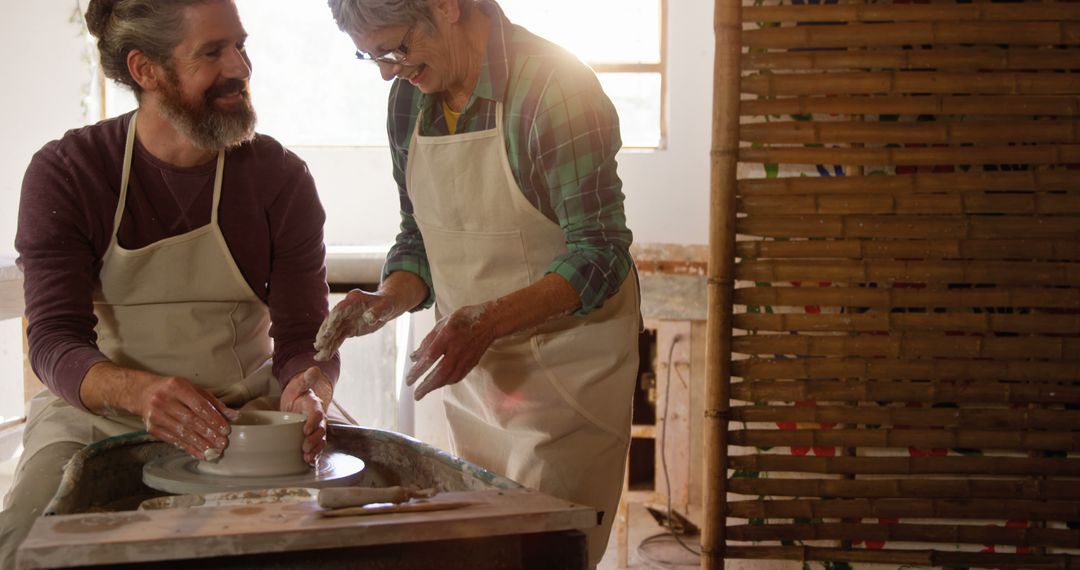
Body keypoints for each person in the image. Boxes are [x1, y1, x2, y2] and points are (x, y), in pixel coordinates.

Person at [0, 0, 340, 565]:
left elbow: (306, 337)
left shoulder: (281, 179)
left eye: (241, 44)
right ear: (145, 70)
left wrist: (310, 390)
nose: (240, 67)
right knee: (23, 543)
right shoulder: (69, 172)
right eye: (213, 52)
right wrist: (136, 391)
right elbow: (54, 341)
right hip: (95, 417)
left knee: (359, 531)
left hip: (244, 417)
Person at [319, 0, 639, 563]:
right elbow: (418, 237)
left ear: (445, 7)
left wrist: (485, 320)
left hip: (567, 380)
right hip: (477, 378)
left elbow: (601, 255)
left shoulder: (554, 90)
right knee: (479, 552)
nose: (388, 71)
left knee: (542, 553)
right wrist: (388, 298)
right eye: (369, 57)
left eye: (395, 49)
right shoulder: (407, 101)